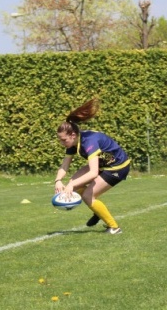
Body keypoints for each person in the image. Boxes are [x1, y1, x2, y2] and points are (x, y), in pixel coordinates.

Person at [54, 98, 130, 234]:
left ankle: (114, 228)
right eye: (60, 140)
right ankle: (97, 209)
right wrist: (58, 180)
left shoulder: (89, 142)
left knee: (87, 195)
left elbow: (93, 172)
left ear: (72, 135)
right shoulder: (73, 143)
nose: (62, 143)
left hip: (118, 167)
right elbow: (64, 165)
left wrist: (71, 185)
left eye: (63, 140)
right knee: (74, 184)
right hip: (103, 163)